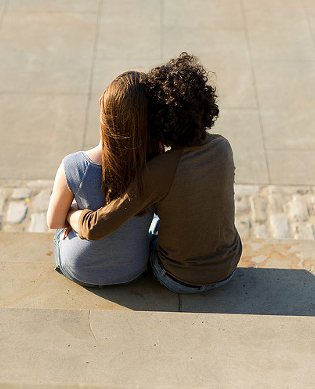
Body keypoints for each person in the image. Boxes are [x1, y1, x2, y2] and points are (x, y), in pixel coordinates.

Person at [67, 53, 242, 293]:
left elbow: (94, 228)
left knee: (149, 229)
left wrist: (71, 214)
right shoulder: (223, 147)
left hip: (179, 278)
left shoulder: (160, 170)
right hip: (229, 267)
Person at [46, 70, 158, 287]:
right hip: (133, 269)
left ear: (101, 104)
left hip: (80, 268)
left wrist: (72, 213)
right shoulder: (157, 165)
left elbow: (54, 221)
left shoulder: (74, 165)